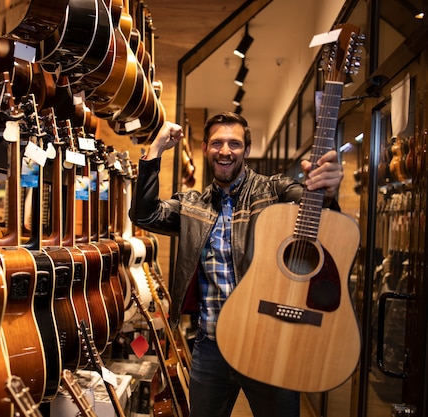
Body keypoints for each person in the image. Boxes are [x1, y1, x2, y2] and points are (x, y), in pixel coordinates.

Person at [129, 112, 344, 417]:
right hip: (210, 347)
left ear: (247, 150)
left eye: (235, 143)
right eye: (217, 143)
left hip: (268, 346)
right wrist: (155, 151)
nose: (225, 151)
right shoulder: (193, 206)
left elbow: (319, 216)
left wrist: (327, 192)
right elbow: (144, 214)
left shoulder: (274, 191)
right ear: (205, 148)